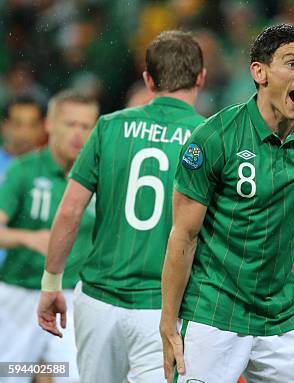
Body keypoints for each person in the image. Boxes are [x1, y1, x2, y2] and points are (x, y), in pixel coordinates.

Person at [160, 23, 294, 383]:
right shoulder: (213, 137)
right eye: (292, 63)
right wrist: (169, 323)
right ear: (259, 72)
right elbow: (183, 236)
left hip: (281, 317)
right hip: (212, 312)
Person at [37, 30, 206, 383]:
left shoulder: (109, 126)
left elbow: (69, 212)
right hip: (163, 308)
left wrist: (52, 283)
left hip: (98, 300)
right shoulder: (210, 137)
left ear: (147, 79)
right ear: (201, 78)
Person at [0, 89, 99, 383]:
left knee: (74, 376)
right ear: (49, 125)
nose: (78, 134)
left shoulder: (100, 176)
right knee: (11, 376)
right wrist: (27, 239)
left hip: (71, 297)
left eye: (86, 126)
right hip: (20, 293)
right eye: (70, 124)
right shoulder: (24, 170)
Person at [0, 95, 46, 266]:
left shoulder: (54, 170)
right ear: (4, 126)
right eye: (18, 124)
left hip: (33, 275)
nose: (25, 133)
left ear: (43, 128)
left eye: (32, 125)